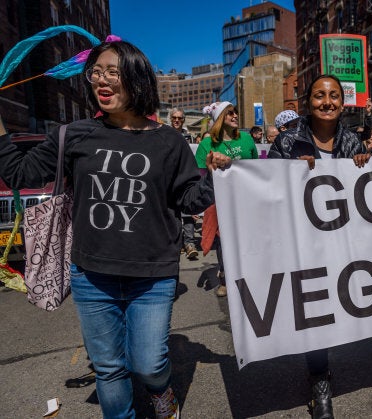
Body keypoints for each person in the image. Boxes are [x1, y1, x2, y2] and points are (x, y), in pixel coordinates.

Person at [0, 39, 228, 419]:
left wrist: (215, 177)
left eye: (112, 72)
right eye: (96, 73)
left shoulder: (169, 141)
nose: (101, 81)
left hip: (153, 276)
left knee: (150, 364)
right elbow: (20, 173)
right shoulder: (73, 134)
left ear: (137, 79)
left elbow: (188, 199)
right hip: (92, 276)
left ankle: (161, 391)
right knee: (108, 368)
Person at [268, 74, 370, 419]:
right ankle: (319, 380)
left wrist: (366, 166)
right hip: (303, 244)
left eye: (334, 96)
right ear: (306, 102)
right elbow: (263, 192)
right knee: (314, 314)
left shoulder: (354, 143)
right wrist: (288, 174)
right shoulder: (286, 143)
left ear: (343, 102)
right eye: (319, 96)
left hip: (342, 243)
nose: (327, 102)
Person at [195, 101, 257, 297]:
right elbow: (200, 176)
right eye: (230, 113)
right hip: (220, 201)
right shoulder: (206, 145)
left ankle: (250, 275)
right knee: (224, 241)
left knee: (249, 238)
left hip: (246, 198)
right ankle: (226, 278)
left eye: (236, 112)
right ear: (219, 119)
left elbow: (257, 169)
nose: (235, 116)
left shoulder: (247, 139)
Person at [170, 108, 200, 260]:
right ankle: (177, 244)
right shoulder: (164, 135)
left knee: (187, 211)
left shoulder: (188, 137)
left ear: (183, 120)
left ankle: (189, 244)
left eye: (180, 118)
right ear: (170, 119)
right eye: (174, 118)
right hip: (169, 180)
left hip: (184, 178)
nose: (177, 120)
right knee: (172, 212)